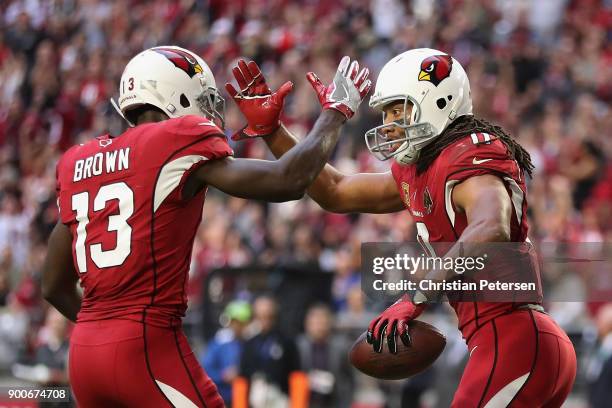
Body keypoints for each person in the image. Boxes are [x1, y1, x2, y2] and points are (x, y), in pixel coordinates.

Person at [229, 48, 577, 407]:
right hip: (512, 342)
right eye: (387, 113)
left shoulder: (467, 152)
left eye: (399, 109)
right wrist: (273, 132)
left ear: (438, 102)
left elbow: (491, 227)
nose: (391, 123)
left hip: (514, 338)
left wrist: (415, 299)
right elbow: (334, 191)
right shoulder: (420, 170)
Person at [41, 45, 371, 407]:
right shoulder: (172, 139)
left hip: (85, 352)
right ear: (174, 94)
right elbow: (289, 180)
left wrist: (103, 333)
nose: (210, 110)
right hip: (145, 345)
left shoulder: (80, 160)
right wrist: (336, 112)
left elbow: (53, 285)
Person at [239, 295, 300, 407]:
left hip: (280, 398)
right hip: (254, 399)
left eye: (269, 316)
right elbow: (243, 374)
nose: (265, 320)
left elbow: (295, 373)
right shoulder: (250, 343)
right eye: (260, 316)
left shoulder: (286, 341)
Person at [296, 303, 354, 408]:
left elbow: (350, 378)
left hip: (334, 401)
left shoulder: (341, 347)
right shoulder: (299, 346)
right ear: (307, 325)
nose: (320, 327)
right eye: (316, 323)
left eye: (323, 322)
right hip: (306, 401)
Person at [201, 300, 252, 406]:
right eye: (235, 322)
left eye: (242, 322)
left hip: (245, 399)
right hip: (222, 398)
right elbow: (205, 370)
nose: (239, 326)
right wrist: (223, 376)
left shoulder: (251, 343)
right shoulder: (219, 343)